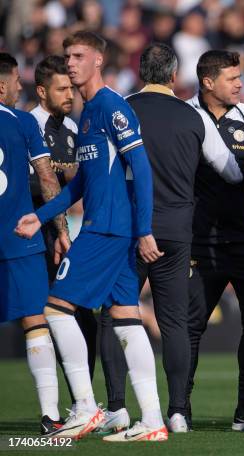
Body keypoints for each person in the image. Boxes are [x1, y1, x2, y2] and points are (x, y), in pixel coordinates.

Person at [15, 31, 168, 442]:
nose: (71, 62)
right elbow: (81, 181)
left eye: (79, 55)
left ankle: (85, 407)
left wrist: (145, 228)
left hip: (107, 228)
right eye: (67, 56)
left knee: (55, 308)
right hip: (110, 227)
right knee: (126, 320)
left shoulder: (112, 108)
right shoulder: (85, 114)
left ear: (98, 60)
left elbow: (143, 168)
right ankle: (153, 421)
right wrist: (39, 215)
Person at [99, 43, 243, 434]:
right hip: (178, 231)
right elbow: (230, 171)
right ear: (174, 76)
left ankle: (116, 407)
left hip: (129, 230)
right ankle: (178, 411)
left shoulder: (119, 111)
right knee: (176, 322)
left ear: (142, 71)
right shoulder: (194, 118)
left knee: (115, 317)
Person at [185, 50, 244, 431]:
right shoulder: (185, 116)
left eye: (240, 77)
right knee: (190, 327)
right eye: (232, 78)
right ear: (208, 82)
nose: (240, 84)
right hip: (201, 243)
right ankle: (179, 406)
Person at [0, 52, 69, 435]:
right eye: (15, 82)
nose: (19, 88)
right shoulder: (23, 122)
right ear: (2, 86)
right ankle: (49, 415)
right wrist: (60, 230)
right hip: (18, 237)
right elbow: (46, 177)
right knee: (34, 320)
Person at [30, 55, 99, 419]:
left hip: (65, 233)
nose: (70, 93)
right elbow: (41, 182)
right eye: (61, 88)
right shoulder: (29, 127)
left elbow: (73, 179)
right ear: (42, 91)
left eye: (71, 87)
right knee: (45, 318)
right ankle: (59, 408)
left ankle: (81, 402)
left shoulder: (71, 128)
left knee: (82, 317)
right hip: (34, 235)